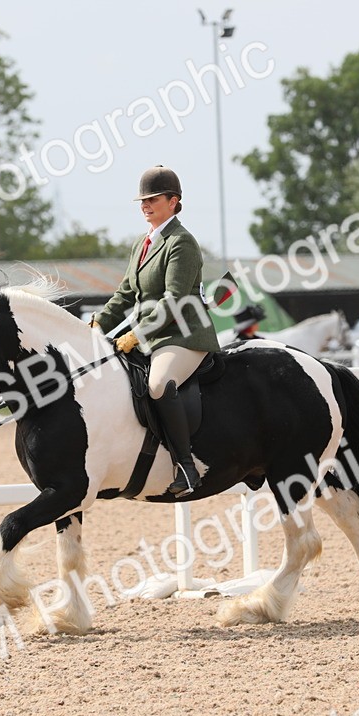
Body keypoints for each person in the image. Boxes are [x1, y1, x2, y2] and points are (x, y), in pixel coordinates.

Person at [92, 166, 220, 497]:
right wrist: (96, 325)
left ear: (173, 201)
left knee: (158, 384)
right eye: (143, 200)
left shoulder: (182, 242)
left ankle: (187, 467)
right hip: (153, 336)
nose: (145, 205)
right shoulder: (143, 243)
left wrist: (137, 334)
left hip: (184, 335)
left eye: (153, 199)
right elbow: (124, 294)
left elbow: (174, 300)